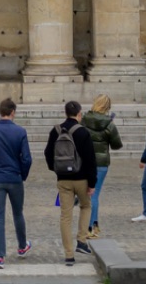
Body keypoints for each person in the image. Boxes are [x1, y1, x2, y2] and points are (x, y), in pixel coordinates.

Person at [0, 95, 33, 268]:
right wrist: (22, 175)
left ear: (1, 112)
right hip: (15, 177)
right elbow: (27, 159)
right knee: (18, 213)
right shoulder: (20, 132)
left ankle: (0, 257)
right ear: (12, 112)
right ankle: (22, 246)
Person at [44, 100, 97, 268]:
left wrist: (56, 169)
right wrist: (92, 182)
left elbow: (47, 153)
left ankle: (68, 255)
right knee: (86, 207)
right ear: (79, 114)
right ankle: (81, 240)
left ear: (65, 113)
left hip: (64, 179)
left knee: (65, 216)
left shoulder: (56, 131)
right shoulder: (83, 132)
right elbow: (90, 159)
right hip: (81, 179)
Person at [81, 94, 122, 239]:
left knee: (88, 193)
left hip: (86, 162)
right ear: (107, 107)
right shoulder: (109, 123)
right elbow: (117, 145)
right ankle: (91, 227)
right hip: (102, 163)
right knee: (95, 194)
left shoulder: (84, 120)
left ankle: (94, 224)